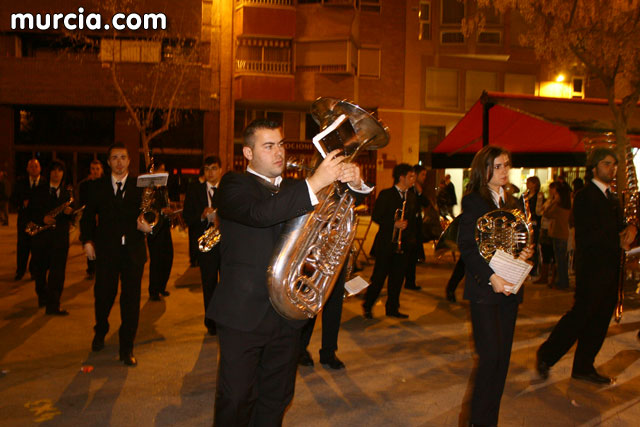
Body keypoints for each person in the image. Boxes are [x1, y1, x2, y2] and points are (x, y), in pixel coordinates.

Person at [207, 119, 367, 425]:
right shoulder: (233, 185)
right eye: (268, 146)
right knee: (237, 397)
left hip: (288, 316)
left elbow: (344, 204)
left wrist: (354, 181)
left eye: (281, 144)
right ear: (248, 153)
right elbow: (259, 214)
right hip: (243, 315)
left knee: (277, 397)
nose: (278, 152)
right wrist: (315, 182)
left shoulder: (297, 188)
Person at [536, 148, 636, 385]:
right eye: (606, 164)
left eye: (614, 164)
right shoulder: (585, 196)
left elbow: (620, 226)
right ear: (594, 167)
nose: (611, 168)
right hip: (591, 269)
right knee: (580, 316)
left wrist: (632, 230)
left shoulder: (612, 197)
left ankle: (583, 366)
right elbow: (588, 234)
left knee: (600, 320)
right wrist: (618, 236)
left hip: (611, 268)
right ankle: (547, 355)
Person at [457, 145, 534, 427]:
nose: (503, 171)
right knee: (489, 359)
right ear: (484, 170)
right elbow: (467, 247)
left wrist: (524, 254)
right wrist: (492, 277)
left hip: (511, 289)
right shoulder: (473, 201)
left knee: (501, 363)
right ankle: (477, 422)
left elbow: (518, 242)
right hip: (486, 291)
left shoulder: (514, 201)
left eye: (506, 165)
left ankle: (490, 422)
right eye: (497, 166)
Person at [80, 143, 151, 367]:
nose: (119, 162)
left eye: (123, 157)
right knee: (103, 296)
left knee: (130, 302)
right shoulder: (96, 187)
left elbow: (152, 213)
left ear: (129, 161)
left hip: (133, 252)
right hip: (107, 252)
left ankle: (126, 348)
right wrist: (88, 241)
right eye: (114, 158)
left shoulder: (140, 186)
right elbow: (88, 217)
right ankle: (100, 330)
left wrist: (148, 225)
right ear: (108, 162)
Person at [363, 163, 417, 319]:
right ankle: (368, 305)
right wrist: (394, 223)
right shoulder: (386, 194)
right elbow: (376, 216)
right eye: (411, 176)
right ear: (402, 177)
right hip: (386, 244)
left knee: (397, 279)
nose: (413, 179)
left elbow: (412, 220)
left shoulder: (411, 196)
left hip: (403, 245)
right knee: (379, 277)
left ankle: (392, 308)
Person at [28, 160, 75, 315]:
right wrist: (43, 219)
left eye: (60, 170)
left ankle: (53, 305)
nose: (56, 173)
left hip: (60, 238)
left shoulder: (68, 193)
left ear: (63, 173)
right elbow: (30, 212)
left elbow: (74, 215)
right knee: (40, 271)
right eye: (54, 170)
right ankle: (42, 295)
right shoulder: (38, 190)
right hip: (42, 238)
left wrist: (70, 214)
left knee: (58, 272)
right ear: (49, 172)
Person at [183, 155, 223, 335]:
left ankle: (227, 319)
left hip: (226, 244)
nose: (210, 172)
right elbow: (186, 217)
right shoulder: (195, 190)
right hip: (206, 245)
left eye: (214, 168)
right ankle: (211, 321)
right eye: (207, 169)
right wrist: (201, 215)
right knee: (209, 284)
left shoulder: (228, 190)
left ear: (220, 170)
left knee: (229, 283)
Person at [298, 266, 348, 370]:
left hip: (339, 258)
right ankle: (301, 349)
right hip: (317, 257)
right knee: (312, 301)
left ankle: (329, 352)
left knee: (334, 305)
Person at [11, 158, 46, 281]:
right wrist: (22, 204)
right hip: (24, 220)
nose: (34, 169)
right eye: (31, 167)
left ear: (40, 168)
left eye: (36, 166)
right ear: (27, 169)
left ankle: (34, 271)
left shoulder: (45, 183)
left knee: (37, 248)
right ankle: (20, 271)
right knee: (22, 247)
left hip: (38, 221)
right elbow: (13, 200)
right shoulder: (21, 183)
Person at [146, 161, 174, 301]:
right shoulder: (149, 190)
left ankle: (162, 286)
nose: (164, 173)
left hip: (165, 227)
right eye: (161, 171)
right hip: (154, 230)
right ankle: (153, 290)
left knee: (168, 258)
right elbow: (147, 211)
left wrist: (168, 213)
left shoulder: (163, 189)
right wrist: (161, 211)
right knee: (156, 261)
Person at [404, 164, 431, 290]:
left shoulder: (418, 189)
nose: (424, 177)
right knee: (407, 257)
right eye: (422, 174)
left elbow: (426, 203)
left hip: (415, 227)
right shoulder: (408, 189)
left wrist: (420, 193)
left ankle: (410, 282)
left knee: (412, 257)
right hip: (408, 228)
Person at [542, 181, 571, 289]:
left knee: (560, 260)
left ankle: (562, 282)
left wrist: (553, 202)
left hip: (558, 234)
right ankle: (563, 281)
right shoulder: (567, 207)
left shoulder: (558, 207)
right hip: (564, 234)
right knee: (562, 260)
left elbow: (547, 213)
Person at [77, 160, 104, 280]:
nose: (95, 171)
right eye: (93, 169)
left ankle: (100, 268)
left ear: (101, 170)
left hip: (102, 218)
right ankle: (91, 269)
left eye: (97, 169)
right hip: (88, 218)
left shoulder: (105, 184)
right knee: (89, 244)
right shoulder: (84, 185)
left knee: (101, 245)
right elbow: (82, 203)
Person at [523, 176, 544, 276]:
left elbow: (539, 211)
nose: (527, 184)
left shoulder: (539, 196)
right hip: (525, 224)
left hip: (534, 224)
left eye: (529, 182)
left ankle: (534, 270)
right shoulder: (525, 195)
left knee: (533, 247)